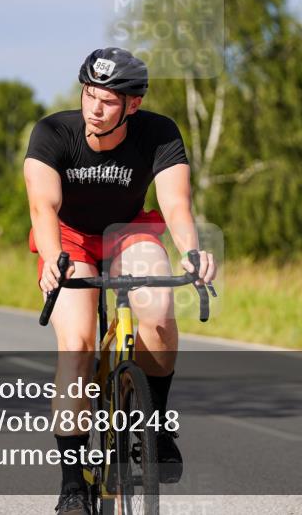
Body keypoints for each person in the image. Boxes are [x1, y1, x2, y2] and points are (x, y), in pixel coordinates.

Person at [24, 47, 217, 515]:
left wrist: (192, 251)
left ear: (133, 104)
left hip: (129, 231)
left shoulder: (158, 133)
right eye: (89, 94)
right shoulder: (54, 132)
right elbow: (42, 206)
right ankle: (72, 485)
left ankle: (156, 423)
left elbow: (175, 204)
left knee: (158, 311)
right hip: (70, 239)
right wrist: (53, 259)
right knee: (79, 347)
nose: (94, 108)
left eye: (108, 101)